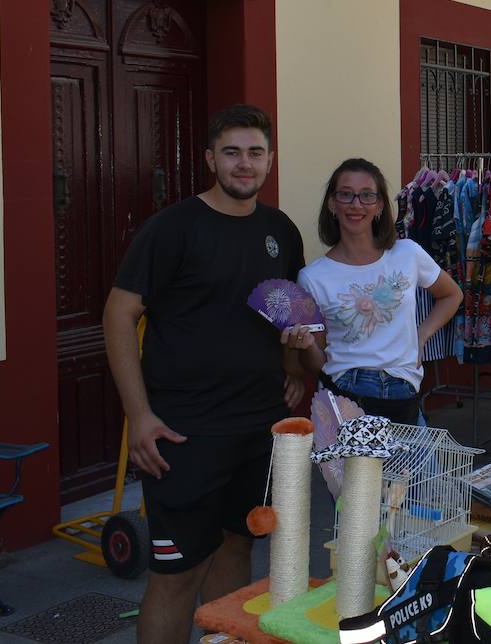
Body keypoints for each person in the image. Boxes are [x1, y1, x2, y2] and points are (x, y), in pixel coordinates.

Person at [103, 104, 312, 644]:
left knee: (237, 547)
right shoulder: (173, 228)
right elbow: (119, 314)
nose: (244, 164)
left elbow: (286, 311)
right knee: (177, 573)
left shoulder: (281, 231)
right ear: (210, 159)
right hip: (185, 431)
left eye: (255, 153)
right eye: (231, 152)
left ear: (270, 160)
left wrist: (291, 367)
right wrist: (139, 415)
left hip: (258, 426)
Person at [294, 158, 464, 424]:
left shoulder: (407, 253)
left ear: (380, 206)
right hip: (344, 399)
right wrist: (304, 346)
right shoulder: (312, 277)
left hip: (403, 396)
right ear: (332, 204)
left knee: (418, 454)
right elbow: (318, 362)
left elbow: (452, 295)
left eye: (367, 195)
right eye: (346, 194)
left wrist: (421, 336)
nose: (356, 204)